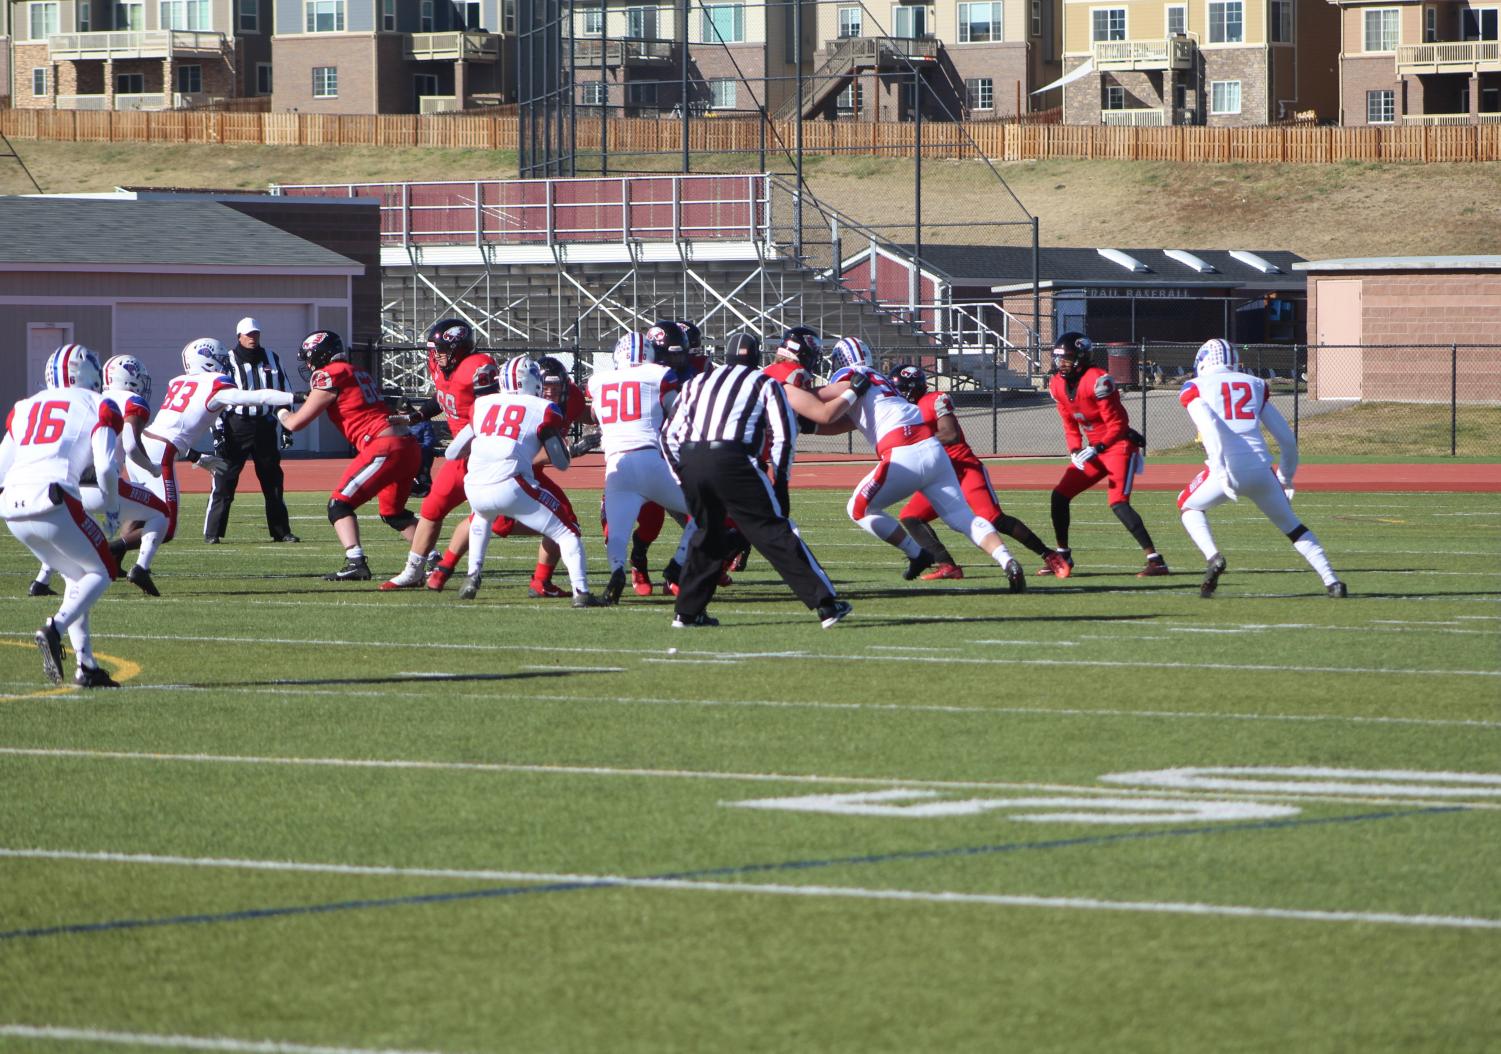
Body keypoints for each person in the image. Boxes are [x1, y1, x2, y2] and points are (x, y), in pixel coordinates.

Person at [663, 338, 851, 629]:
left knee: (707, 536)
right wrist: (781, 481)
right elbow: (784, 435)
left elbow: (668, 434)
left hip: (692, 459)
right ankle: (826, 605)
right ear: (756, 358)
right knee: (774, 531)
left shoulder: (696, 382)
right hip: (734, 459)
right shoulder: (764, 382)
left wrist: (681, 474)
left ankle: (687, 613)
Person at [818, 336, 1027, 590]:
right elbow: (844, 422)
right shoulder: (882, 383)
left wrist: (792, 395)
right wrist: (811, 426)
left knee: (857, 509)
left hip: (901, 452)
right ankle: (1008, 561)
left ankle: (917, 554)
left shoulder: (849, 374)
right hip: (932, 449)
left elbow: (822, 402)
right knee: (962, 517)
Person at [1177, 338, 1347, 598]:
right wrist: (1286, 478)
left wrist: (1221, 471)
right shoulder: (1255, 384)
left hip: (1227, 469)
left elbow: (1210, 429)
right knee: (1293, 527)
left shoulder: (1195, 387)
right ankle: (1332, 581)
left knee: (1188, 505)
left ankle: (1213, 557)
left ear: (1202, 361)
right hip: (1262, 470)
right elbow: (1287, 440)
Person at [0, 344, 124, 687]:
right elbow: (106, 467)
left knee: (76, 577)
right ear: (84, 372)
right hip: (53, 498)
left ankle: (87, 668)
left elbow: (0, 467)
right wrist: (112, 506)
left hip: (11, 504)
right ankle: (54, 628)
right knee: (104, 569)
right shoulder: (99, 403)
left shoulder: (24, 407)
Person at [445, 356, 602, 607]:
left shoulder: (482, 404)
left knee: (481, 519)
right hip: (511, 483)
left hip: (474, 484)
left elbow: (451, 453)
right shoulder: (543, 408)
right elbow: (561, 463)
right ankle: (582, 593)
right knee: (568, 530)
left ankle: (472, 578)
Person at [891, 363, 1069, 581]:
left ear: (914, 387)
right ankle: (947, 565)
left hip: (962, 467)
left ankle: (1049, 555)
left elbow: (950, 434)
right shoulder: (902, 412)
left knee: (993, 518)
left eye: (901, 389)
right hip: (938, 475)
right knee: (910, 516)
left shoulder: (933, 400)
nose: (897, 394)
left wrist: (917, 444)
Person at [132, 338, 293, 578]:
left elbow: (175, 428)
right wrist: (296, 397)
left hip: (148, 443)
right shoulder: (216, 383)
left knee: (141, 512)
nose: (224, 363)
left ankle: (115, 561)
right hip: (163, 451)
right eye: (219, 359)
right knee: (166, 525)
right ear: (208, 362)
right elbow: (256, 397)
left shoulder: (179, 382)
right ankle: (123, 559)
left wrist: (196, 456)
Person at [275, 330, 420, 581]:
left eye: (310, 358)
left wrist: (281, 412)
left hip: (383, 446)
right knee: (394, 513)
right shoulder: (355, 371)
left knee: (339, 504)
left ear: (321, 355)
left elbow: (296, 423)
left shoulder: (329, 374)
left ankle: (355, 561)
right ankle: (432, 558)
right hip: (406, 445)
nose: (309, 366)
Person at [28, 354, 172, 599]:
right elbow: (130, 446)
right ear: (129, 377)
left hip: (67, 484)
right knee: (161, 514)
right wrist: (152, 468)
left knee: (66, 527)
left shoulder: (87, 399)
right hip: (100, 483)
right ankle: (141, 568)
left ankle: (41, 580)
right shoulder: (130, 400)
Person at [379, 319, 497, 591]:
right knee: (432, 509)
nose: (436, 356)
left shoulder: (477, 367)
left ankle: (561, 539)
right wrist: (418, 415)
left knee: (502, 523)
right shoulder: (442, 368)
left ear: (459, 347)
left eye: (442, 350)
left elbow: (492, 411)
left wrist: (469, 438)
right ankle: (414, 570)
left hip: (487, 454)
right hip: (462, 457)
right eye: (435, 350)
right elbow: (443, 396)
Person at [1043, 331, 1168, 578]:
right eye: (1059, 358)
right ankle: (1063, 554)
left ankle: (1156, 560)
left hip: (1117, 446)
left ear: (1080, 357)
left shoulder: (1098, 380)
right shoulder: (1056, 384)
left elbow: (1118, 425)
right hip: (1093, 449)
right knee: (1059, 496)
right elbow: (1068, 422)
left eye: (1066, 358)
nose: (1061, 363)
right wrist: (1075, 450)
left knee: (1118, 503)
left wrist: (1097, 448)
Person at [588, 328, 696, 605]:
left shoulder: (599, 382)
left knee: (617, 533)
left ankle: (616, 571)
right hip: (651, 459)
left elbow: (601, 416)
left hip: (616, 466)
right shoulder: (657, 375)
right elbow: (680, 415)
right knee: (706, 511)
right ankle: (676, 566)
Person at [202, 318, 298, 544]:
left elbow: (284, 392)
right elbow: (216, 399)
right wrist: (217, 432)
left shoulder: (273, 358)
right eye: (248, 334)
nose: (252, 338)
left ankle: (281, 532)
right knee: (224, 479)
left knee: (273, 481)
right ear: (239, 337)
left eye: (255, 334)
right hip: (236, 426)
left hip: (265, 425)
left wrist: (287, 427)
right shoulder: (227, 362)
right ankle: (212, 533)